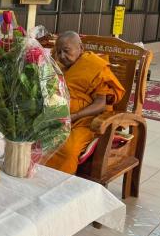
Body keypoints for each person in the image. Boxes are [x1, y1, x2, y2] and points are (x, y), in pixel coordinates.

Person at [46, 31, 125, 174]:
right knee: (37, 139)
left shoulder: (93, 66)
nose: (62, 56)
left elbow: (100, 103)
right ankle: (39, 180)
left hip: (85, 120)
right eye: (59, 52)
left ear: (81, 48)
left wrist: (75, 116)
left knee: (67, 149)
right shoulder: (57, 66)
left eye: (66, 51)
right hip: (59, 117)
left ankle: (61, 182)